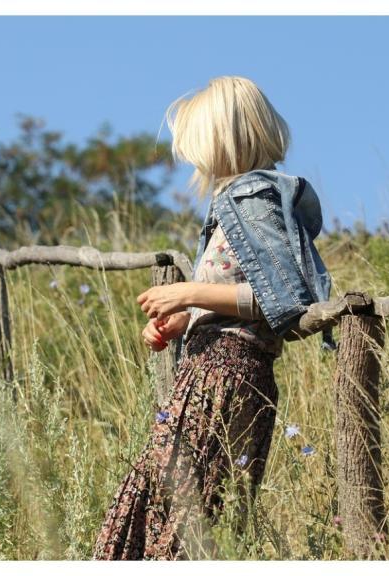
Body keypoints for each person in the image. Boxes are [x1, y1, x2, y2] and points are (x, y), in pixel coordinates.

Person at [92, 76, 331, 560]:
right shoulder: (238, 203)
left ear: (222, 139)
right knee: (182, 519)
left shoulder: (250, 199)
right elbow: (243, 294)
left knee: (178, 521)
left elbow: (282, 300)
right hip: (223, 371)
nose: (194, 160)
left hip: (225, 377)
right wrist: (189, 317)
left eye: (198, 146)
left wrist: (186, 291)